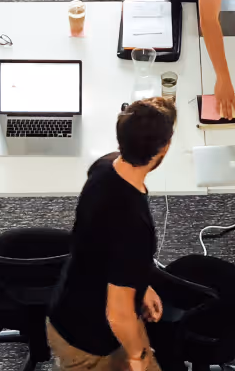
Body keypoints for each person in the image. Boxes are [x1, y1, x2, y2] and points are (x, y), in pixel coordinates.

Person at [48, 97, 177, 371]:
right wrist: (138, 358)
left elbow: (105, 248)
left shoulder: (104, 167)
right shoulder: (134, 225)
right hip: (88, 346)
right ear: (164, 148)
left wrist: (139, 282)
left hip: (69, 304)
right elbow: (118, 314)